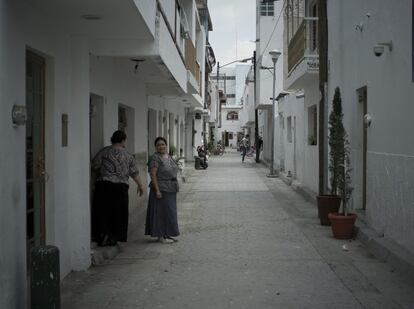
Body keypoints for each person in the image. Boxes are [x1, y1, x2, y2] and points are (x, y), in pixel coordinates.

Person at [91, 130, 144, 246]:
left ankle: (102, 235)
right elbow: (134, 173)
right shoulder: (128, 155)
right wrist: (140, 185)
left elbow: (94, 165)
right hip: (120, 188)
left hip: (104, 186)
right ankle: (114, 237)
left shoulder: (104, 152)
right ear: (123, 140)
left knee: (102, 211)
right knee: (118, 213)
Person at [145, 137, 180, 244]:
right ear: (155, 147)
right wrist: (157, 190)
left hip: (170, 188)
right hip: (161, 188)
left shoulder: (168, 156)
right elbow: (153, 174)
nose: (161, 147)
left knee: (170, 212)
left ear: (166, 145)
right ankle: (160, 236)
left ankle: (167, 233)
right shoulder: (155, 158)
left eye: (163, 144)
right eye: (159, 145)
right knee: (160, 212)